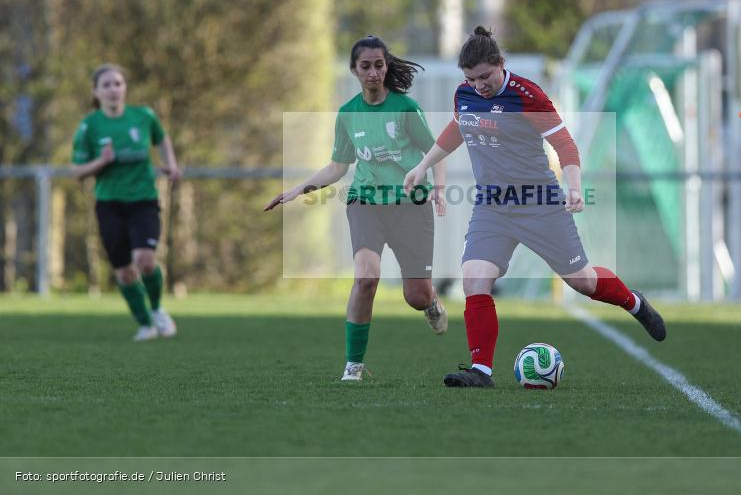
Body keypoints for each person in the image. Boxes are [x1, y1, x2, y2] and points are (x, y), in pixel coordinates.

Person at [404, 26, 666, 389]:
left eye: (485, 77)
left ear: (500, 64)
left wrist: (573, 186)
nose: (478, 85)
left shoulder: (527, 95)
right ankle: (481, 371)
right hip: (492, 207)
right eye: (471, 78)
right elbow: (457, 128)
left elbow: (565, 145)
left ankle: (633, 302)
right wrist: (422, 166)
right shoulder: (464, 93)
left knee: (582, 281)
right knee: (475, 280)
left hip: (539, 203)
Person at [265, 36, 448, 381]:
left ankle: (432, 301)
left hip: (411, 205)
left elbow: (436, 152)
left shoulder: (406, 110)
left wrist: (437, 188)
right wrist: (297, 190)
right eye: (365, 66)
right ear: (354, 70)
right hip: (365, 202)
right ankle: (354, 365)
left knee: (416, 296)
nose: (373, 72)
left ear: (386, 67)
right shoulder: (348, 114)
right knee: (366, 277)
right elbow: (337, 167)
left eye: (379, 65)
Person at [72, 64, 180, 341]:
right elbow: (77, 172)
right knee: (125, 272)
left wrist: (171, 165)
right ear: (96, 91)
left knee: (144, 261)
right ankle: (145, 324)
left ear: (125, 88)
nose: (113, 89)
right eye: (106, 85)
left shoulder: (143, 116)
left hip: (143, 199)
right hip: (109, 204)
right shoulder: (89, 126)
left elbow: (162, 139)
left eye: (118, 83)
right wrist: (101, 161)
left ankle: (156, 310)